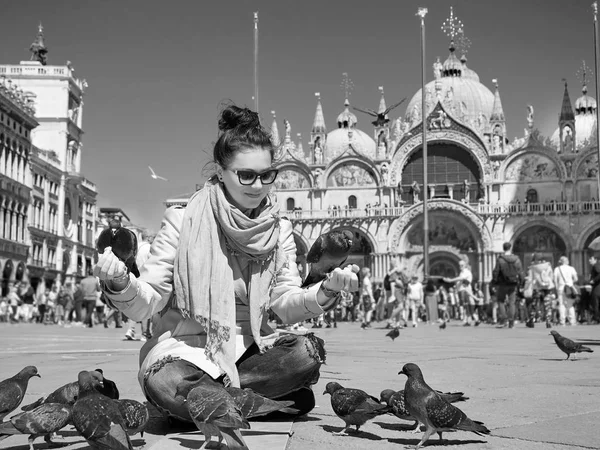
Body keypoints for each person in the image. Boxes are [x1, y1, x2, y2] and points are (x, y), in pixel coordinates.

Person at [94, 104, 359, 423]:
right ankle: (257, 399)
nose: (258, 186)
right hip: (185, 350)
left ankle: (214, 402)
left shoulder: (278, 227)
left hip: (253, 350)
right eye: (246, 175)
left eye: (266, 175)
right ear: (221, 171)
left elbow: (284, 304)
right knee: (167, 382)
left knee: (306, 354)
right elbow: (148, 302)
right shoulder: (183, 220)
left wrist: (326, 290)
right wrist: (120, 283)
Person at [122, 229, 157, 340]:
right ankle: (145, 333)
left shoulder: (135, 249)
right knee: (146, 306)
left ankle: (130, 330)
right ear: (149, 237)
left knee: (134, 306)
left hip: (133, 279)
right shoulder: (149, 249)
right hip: (146, 279)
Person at [492, 242, 525, 328]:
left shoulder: (500, 259)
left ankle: (504, 319)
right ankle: (511, 322)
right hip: (513, 283)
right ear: (510, 248)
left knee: (501, 301)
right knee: (512, 302)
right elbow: (521, 272)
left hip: (502, 283)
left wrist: (495, 282)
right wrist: (521, 283)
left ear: (503, 249)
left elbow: (496, 271)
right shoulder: (516, 259)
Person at [444, 260, 474, 326]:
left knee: (466, 305)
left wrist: (451, 280)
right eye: (459, 265)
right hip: (462, 290)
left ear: (465, 265)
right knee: (464, 305)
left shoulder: (466, 272)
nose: (460, 266)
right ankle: (468, 320)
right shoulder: (462, 272)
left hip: (465, 290)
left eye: (462, 265)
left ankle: (469, 320)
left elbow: (461, 278)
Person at [529, 254, 555, 327]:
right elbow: (551, 276)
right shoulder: (548, 266)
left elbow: (530, 278)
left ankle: (531, 320)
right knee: (547, 304)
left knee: (534, 304)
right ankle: (548, 320)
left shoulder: (533, 267)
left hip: (537, 287)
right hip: (547, 287)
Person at [554, 256, 578, 326]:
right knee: (570, 305)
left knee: (561, 305)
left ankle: (562, 321)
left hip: (561, 288)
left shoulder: (557, 269)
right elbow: (576, 279)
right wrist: (570, 282)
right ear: (566, 261)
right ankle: (572, 321)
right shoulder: (571, 268)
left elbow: (555, 280)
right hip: (569, 289)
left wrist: (556, 288)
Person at [588, 254, 600, 324]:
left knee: (596, 303)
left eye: (591, 259)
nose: (589, 260)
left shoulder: (596, 265)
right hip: (597, 287)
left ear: (595, 259)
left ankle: (597, 318)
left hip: (597, 288)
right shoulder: (596, 265)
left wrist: (594, 280)